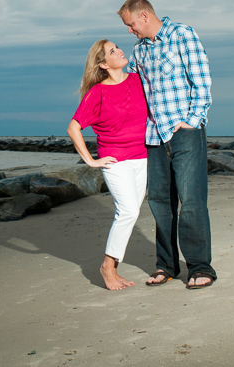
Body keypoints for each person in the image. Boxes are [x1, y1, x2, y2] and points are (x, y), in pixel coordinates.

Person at [118, 0, 216, 290]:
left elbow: (201, 78)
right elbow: (131, 86)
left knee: (191, 201)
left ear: (144, 16)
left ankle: (200, 267)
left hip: (184, 132)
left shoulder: (182, 35)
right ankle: (167, 266)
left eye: (130, 24)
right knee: (160, 204)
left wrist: (194, 118)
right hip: (153, 136)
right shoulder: (139, 51)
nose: (130, 31)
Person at [67, 39, 150, 291]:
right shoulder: (97, 93)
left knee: (131, 212)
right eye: (112, 51)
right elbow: (73, 128)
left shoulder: (138, 80)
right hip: (116, 162)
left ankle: (112, 267)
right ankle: (108, 266)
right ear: (103, 64)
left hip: (142, 158)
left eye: (118, 47)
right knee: (128, 212)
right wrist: (91, 161)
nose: (120, 51)